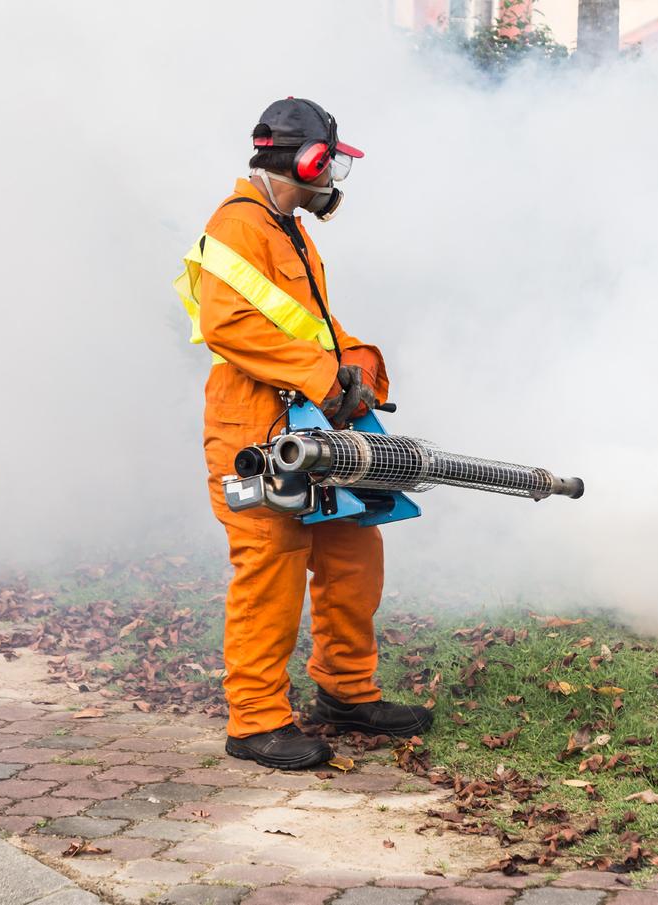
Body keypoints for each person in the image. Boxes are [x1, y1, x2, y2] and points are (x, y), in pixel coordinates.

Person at [174, 98, 433, 770]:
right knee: (271, 569)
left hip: (312, 427)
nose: (333, 181)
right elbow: (229, 325)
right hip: (257, 427)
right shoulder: (237, 226)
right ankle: (256, 721)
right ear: (309, 161)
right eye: (330, 165)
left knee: (353, 553)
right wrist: (323, 374)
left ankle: (347, 692)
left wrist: (357, 363)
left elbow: (308, 324)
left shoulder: (289, 229)